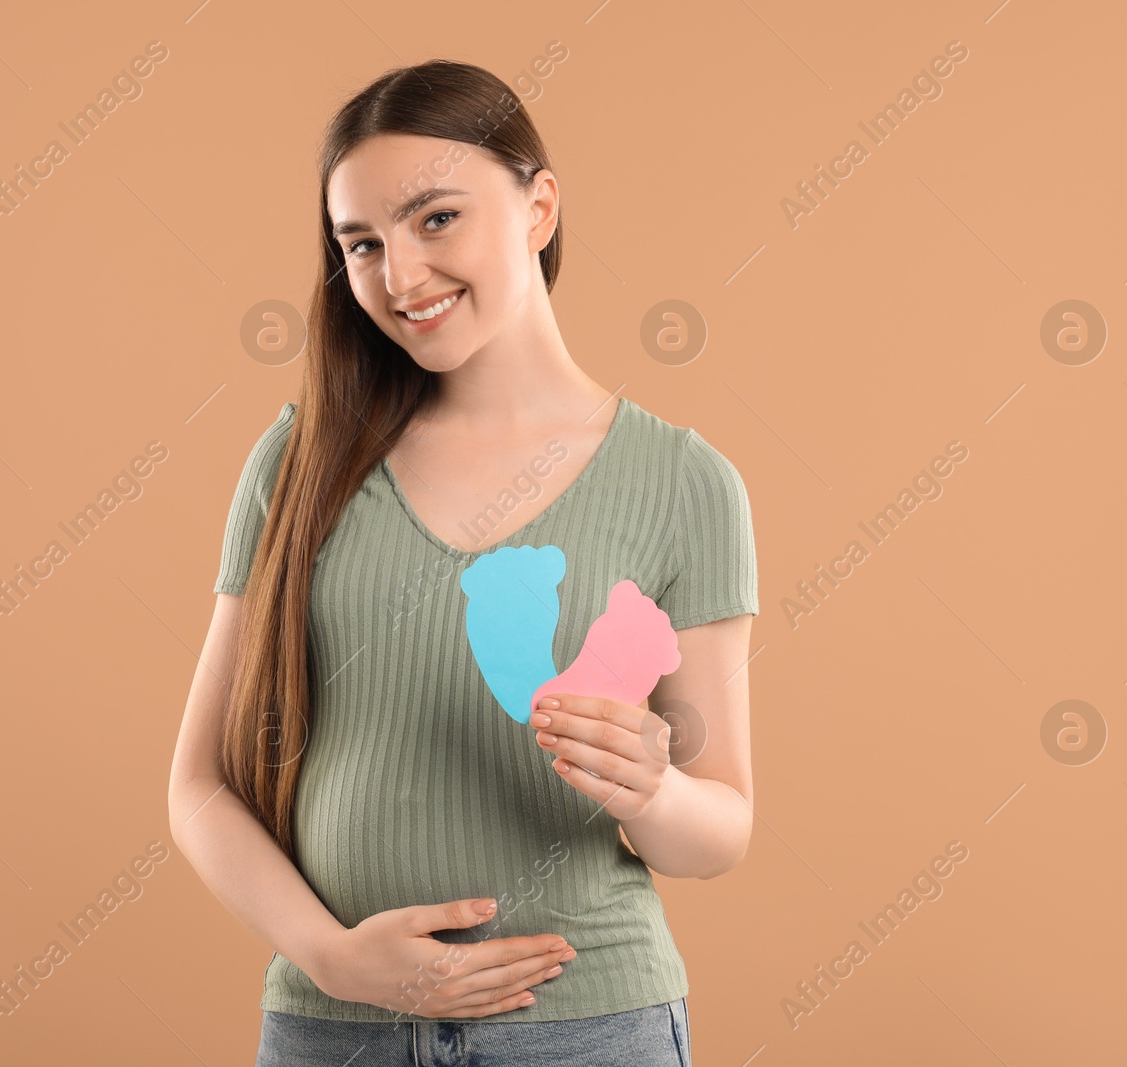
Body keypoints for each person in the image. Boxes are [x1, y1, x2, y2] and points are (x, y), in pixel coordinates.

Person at [167, 58, 758, 1067]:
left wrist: (650, 790)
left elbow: (720, 825)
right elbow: (200, 785)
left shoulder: (685, 484)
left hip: (585, 1030)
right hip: (331, 1029)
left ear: (539, 207)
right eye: (361, 243)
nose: (398, 276)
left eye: (435, 218)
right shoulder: (300, 463)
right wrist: (333, 957)